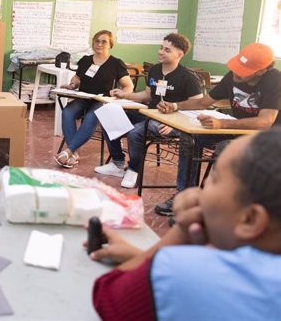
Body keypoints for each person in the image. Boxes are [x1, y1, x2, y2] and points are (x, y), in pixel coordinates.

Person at [90, 129, 281, 321]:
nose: (204, 184)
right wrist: (139, 256)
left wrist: (181, 232)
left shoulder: (181, 274)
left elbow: (108, 296)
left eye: (215, 178)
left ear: (250, 220)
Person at [155, 42, 281, 215]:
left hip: (269, 139)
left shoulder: (275, 80)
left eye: (243, 71)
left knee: (225, 148)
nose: (236, 73)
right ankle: (185, 195)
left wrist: (223, 124)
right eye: (237, 66)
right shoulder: (233, 76)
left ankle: (217, 205)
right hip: (240, 130)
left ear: (260, 71)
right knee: (189, 138)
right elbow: (202, 102)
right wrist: (175, 106)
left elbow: (265, 122)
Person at [94, 33, 203, 188]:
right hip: (150, 114)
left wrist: (175, 123)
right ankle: (118, 163)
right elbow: (147, 95)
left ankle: (133, 170)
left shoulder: (188, 77)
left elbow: (198, 105)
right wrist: (126, 94)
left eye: (167, 50)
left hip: (171, 122)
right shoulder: (155, 70)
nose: (161, 52)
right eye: (161, 48)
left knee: (136, 132)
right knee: (107, 114)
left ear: (179, 54)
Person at [54, 30, 134, 168]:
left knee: (92, 116)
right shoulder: (85, 60)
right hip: (84, 97)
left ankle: (69, 151)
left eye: (104, 41)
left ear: (110, 45)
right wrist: (72, 85)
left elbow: (128, 86)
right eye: (97, 41)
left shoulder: (116, 63)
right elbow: (77, 78)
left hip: (102, 100)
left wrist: (120, 94)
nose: (99, 44)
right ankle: (73, 153)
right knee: (67, 112)